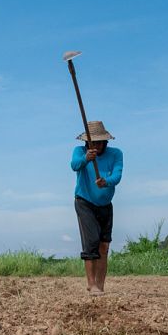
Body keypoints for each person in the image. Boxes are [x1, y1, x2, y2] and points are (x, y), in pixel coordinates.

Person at [70, 120, 123, 296]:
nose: (98, 145)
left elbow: (117, 175)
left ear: (106, 142)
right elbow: (74, 165)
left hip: (105, 205)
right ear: (88, 143)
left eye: (101, 142)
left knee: (104, 246)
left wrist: (105, 181)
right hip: (84, 202)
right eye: (94, 142)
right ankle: (91, 284)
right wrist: (86, 158)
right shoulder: (80, 152)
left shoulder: (116, 154)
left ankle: (100, 285)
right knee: (91, 242)